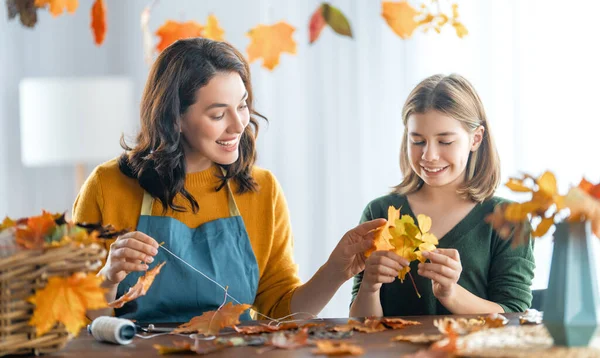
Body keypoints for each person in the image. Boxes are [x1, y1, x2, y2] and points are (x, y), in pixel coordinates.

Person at [73, 38, 383, 323]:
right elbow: (75, 321)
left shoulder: (263, 190)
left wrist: (335, 270)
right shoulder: (107, 186)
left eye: (243, 105)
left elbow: (279, 313)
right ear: (175, 118)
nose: (239, 125)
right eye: (218, 115)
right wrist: (109, 276)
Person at [350, 74, 535, 317]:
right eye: (417, 141)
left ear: (475, 139)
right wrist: (370, 287)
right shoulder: (379, 213)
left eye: (445, 141)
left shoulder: (509, 219)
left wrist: (452, 294)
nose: (429, 155)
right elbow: (360, 324)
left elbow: (515, 316)